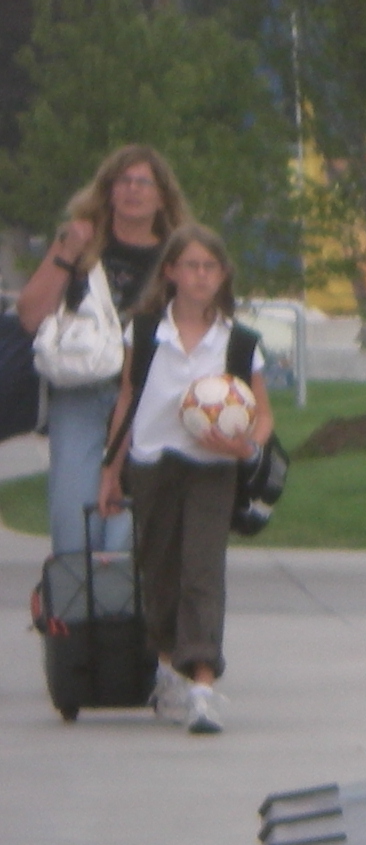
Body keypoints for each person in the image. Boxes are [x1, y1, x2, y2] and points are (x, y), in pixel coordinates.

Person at [95, 224, 271, 737]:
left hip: (212, 468)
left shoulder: (239, 341)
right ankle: (169, 668)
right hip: (154, 461)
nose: (200, 276)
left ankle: (203, 685)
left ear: (223, 275)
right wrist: (111, 470)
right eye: (190, 266)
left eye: (210, 267)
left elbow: (262, 414)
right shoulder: (146, 331)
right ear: (170, 271)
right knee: (160, 569)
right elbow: (127, 400)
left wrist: (245, 446)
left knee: (203, 570)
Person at [19, 145, 186, 555]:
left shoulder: (178, 255)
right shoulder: (81, 244)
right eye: (123, 181)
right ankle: (75, 594)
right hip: (81, 390)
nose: (133, 190)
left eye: (144, 182)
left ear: (162, 196)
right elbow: (30, 315)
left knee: (127, 529)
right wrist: (67, 253)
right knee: (73, 520)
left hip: (147, 396)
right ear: (108, 191)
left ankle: (120, 596)